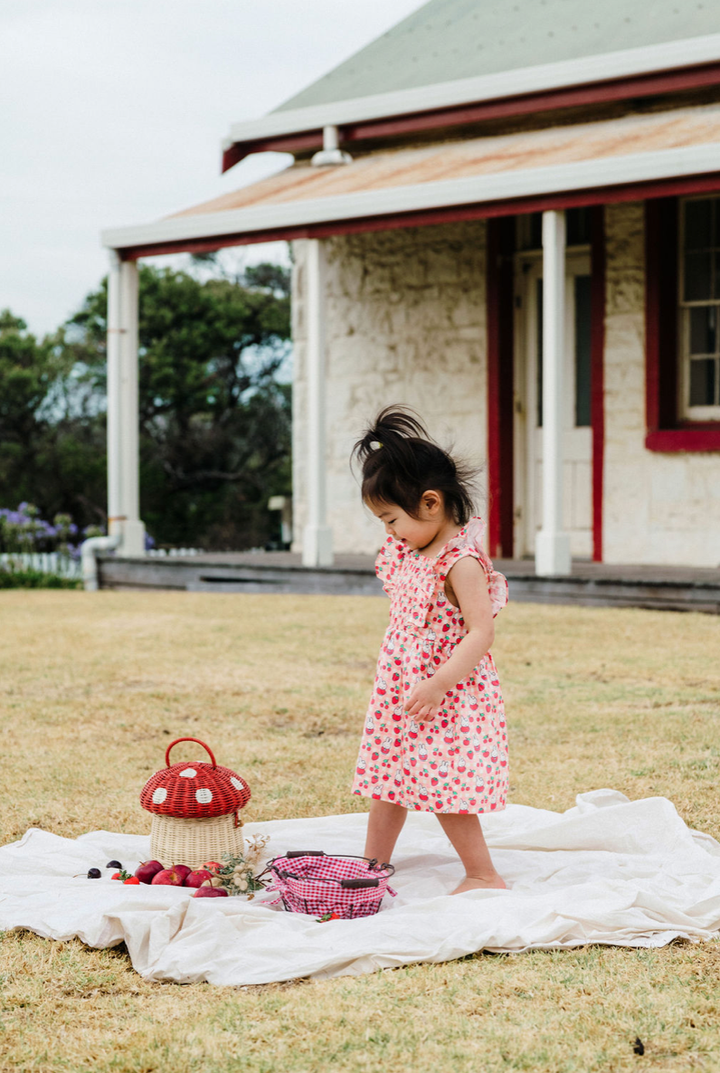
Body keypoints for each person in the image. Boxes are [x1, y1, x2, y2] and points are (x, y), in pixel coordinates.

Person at [351, 406, 509, 894]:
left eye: (391, 518)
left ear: (431, 503)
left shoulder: (461, 563)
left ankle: (483, 874)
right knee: (388, 777)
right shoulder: (409, 553)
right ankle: (371, 867)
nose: (388, 531)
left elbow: (480, 633)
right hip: (404, 692)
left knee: (445, 785)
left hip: (446, 695)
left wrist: (440, 682)